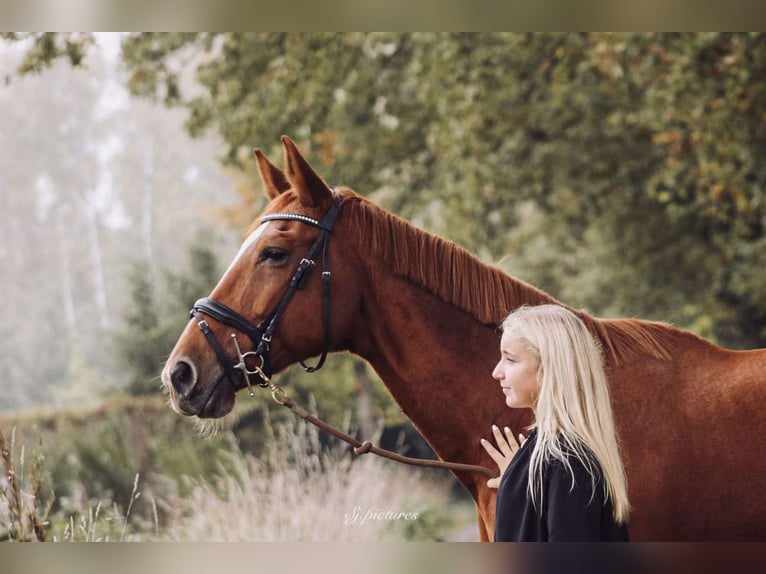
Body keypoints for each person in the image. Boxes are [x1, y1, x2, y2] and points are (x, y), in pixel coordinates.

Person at [480, 304, 630, 542]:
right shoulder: (550, 455)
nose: (497, 372)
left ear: (549, 368)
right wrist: (517, 482)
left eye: (510, 359)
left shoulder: (569, 462)